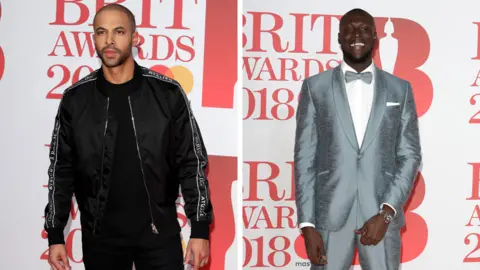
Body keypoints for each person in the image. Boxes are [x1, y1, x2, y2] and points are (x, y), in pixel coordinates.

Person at [44, 4, 212, 270]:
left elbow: (191, 162)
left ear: (135, 38)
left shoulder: (167, 93)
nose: (109, 40)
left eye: (119, 31)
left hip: (160, 235)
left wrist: (200, 229)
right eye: (101, 32)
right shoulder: (75, 100)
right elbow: (61, 169)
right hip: (101, 238)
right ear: (94, 39)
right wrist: (55, 235)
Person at [294, 8, 422, 270]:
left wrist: (386, 213)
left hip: (380, 218)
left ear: (375, 37)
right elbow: (305, 159)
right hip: (328, 219)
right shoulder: (314, 87)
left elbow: (410, 156)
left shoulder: (400, 89)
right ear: (340, 38)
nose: (357, 35)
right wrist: (307, 224)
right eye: (349, 30)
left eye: (364, 29)